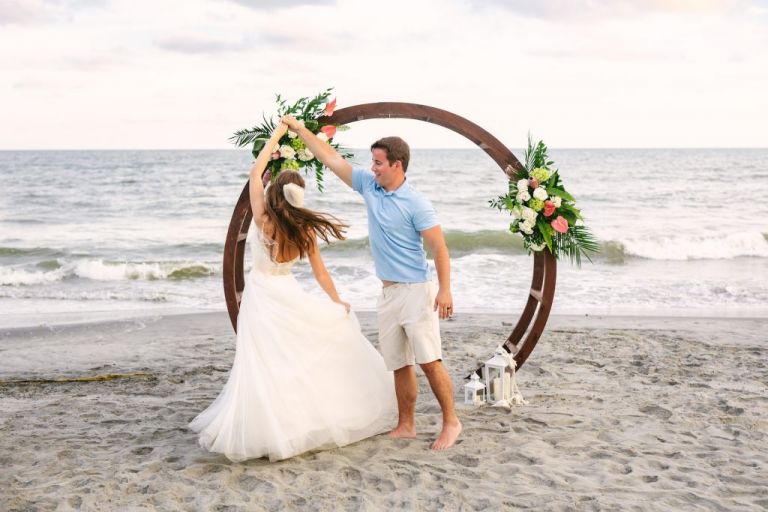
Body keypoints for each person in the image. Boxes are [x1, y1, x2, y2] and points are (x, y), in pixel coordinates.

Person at [189, 122, 397, 462]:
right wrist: (336, 302)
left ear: (275, 192)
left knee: (261, 363)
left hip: (262, 296)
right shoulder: (304, 230)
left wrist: (276, 137)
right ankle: (293, 422)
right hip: (288, 293)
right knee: (290, 361)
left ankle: (270, 427)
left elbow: (255, 172)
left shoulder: (262, 219)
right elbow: (321, 274)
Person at [282, 116, 462, 450]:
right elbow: (330, 158)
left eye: (379, 163)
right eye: (372, 162)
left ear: (397, 165)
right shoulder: (369, 185)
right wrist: (301, 130)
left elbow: (439, 248)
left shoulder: (417, 202)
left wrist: (446, 289)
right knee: (398, 363)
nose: (373, 168)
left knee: (428, 360)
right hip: (388, 293)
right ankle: (406, 425)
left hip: (416, 291)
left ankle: (451, 421)